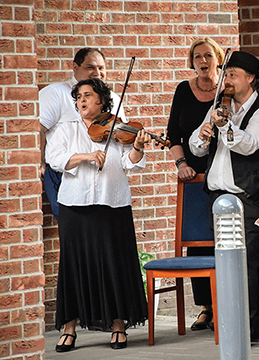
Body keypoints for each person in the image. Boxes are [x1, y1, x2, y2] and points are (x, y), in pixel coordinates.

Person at [46, 78, 149, 351]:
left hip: (112, 204)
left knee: (113, 263)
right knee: (74, 266)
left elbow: (131, 163)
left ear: (102, 101)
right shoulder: (67, 128)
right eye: (79, 96)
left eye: (88, 95)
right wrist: (86, 156)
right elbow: (54, 157)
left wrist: (137, 147)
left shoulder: (117, 127)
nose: (82, 101)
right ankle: (69, 328)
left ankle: (118, 324)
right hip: (74, 206)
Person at [189, 51, 259, 342]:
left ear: (250, 78)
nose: (226, 80)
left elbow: (248, 145)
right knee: (224, 263)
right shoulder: (219, 107)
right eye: (226, 74)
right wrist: (203, 135)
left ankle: (250, 331)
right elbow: (195, 149)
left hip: (249, 199)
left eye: (232, 75)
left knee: (245, 265)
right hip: (217, 199)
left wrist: (224, 126)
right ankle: (229, 323)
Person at [167, 37, 225, 331]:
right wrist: (182, 165)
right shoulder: (183, 90)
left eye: (208, 56)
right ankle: (205, 307)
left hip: (222, 172)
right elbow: (172, 135)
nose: (203, 61)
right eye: (197, 57)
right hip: (193, 174)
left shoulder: (227, 91)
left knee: (220, 241)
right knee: (197, 244)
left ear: (217, 59)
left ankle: (223, 304)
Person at [40, 47, 123, 220]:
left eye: (101, 68)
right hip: (65, 171)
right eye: (90, 67)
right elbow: (38, 129)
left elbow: (121, 132)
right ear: (75, 68)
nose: (97, 72)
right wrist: (40, 162)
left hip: (103, 174)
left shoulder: (113, 98)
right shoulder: (56, 93)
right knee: (70, 222)